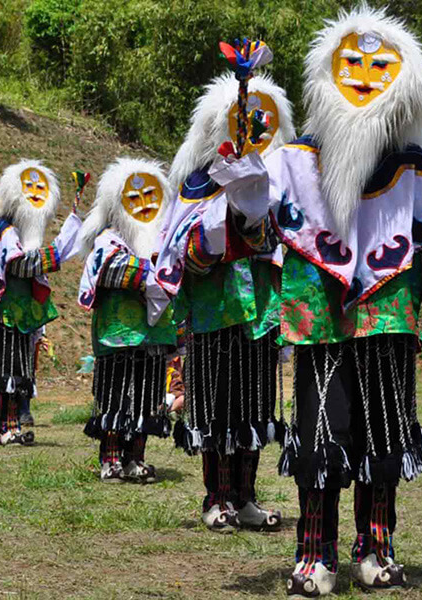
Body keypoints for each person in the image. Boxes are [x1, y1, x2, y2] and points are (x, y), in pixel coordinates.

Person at [213, 6, 422, 595]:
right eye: (351, 62)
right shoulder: (292, 163)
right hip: (319, 320)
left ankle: (375, 547)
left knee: (384, 438)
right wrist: (241, 187)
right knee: (320, 432)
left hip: (388, 319)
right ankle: (315, 552)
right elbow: (249, 238)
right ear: (327, 75)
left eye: (381, 65)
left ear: (405, 83)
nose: (364, 73)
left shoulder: (416, 172)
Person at [155, 73, 296, 532]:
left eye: (262, 120)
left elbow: (289, 242)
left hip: (259, 315)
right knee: (216, 408)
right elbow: (179, 252)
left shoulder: (282, 185)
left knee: (254, 407)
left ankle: (246, 497)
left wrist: (256, 215)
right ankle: (217, 499)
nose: (253, 127)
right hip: (214, 314)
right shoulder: (197, 185)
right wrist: (225, 223)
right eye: (242, 118)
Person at [0, 159, 83, 446]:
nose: (34, 192)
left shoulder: (12, 230)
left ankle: (9, 426)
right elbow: (17, 265)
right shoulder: (2, 228)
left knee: (16, 372)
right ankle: (2, 428)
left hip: (18, 316)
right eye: (28, 187)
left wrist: (60, 246)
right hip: (4, 313)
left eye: (39, 187)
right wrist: (56, 252)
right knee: (4, 372)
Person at [77, 157, 177, 482]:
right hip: (117, 334)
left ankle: (136, 458)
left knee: (147, 397)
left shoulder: (166, 241)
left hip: (152, 334)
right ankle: (110, 459)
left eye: (151, 195)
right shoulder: (107, 240)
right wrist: (155, 272)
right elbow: (109, 272)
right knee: (115, 396)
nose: (144, 204)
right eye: (133, 199)